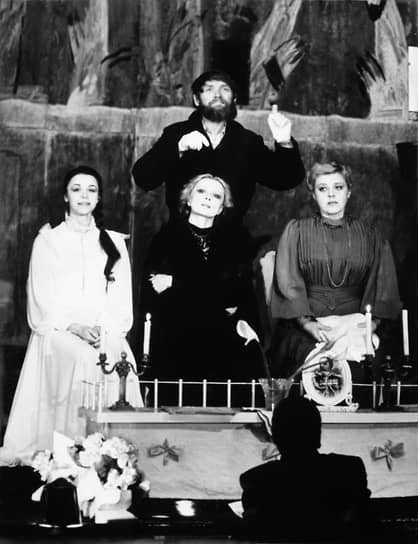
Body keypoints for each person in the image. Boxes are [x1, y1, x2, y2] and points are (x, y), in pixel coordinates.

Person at [2, 166, 142, 457]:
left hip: (101, 329)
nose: (84, 195)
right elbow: (41, 297)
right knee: (83, 357)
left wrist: (103, 328)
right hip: (58, 330)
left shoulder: (113, 242)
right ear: (66, 196)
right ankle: (75, 450)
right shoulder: (48, 240)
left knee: (119, 354)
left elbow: (120, 298)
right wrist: (75, 327)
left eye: (91, 190)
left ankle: (115, 450)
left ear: (99, 197)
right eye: (76, 189)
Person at [269, 161, 402, 381]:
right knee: (315, 366)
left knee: (367, 364)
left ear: (349, 192)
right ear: (313, 195)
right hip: (307, 326)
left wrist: (371, 325)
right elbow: (288, 283)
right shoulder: (296, 232)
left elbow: (383, 288)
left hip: (357, 325)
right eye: (323, 188)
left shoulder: (371, 236)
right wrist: (308, 324)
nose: (331, 194)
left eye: (338, 187)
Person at [142, 173, 264, 407]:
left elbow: (234, 296)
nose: (208, 198)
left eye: (216, 196)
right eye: (201, 191)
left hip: (221, 335)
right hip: (177, 335)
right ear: (188, 199)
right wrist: (211, 294)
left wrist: (176, 283)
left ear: (221, 208)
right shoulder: (165, 239)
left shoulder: (235, 244)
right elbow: (159, 296)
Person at [132, 70, 305, 223]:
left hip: (230, 242)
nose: (217, 94)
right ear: (196, 99)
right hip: (180, 238)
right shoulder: (176, 134)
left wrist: (284, 142)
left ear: (234, 99)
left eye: (225, 89)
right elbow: (143, 177)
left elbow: (286, 179)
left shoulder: (248, 142)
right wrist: (177, 149)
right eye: (209, 89)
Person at [240, 396, 371, 540]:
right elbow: (365, 524)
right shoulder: (349, 470)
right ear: (318, 435)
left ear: (275, 436)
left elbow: (252, 529)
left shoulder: (256, 480)